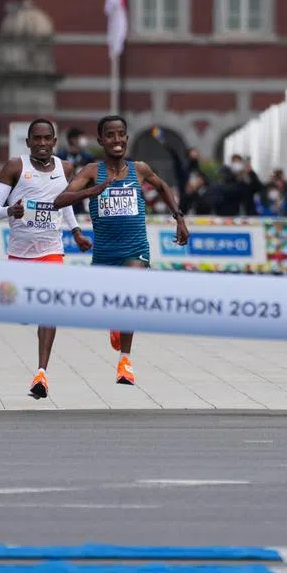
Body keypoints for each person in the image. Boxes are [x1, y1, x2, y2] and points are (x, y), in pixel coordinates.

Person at [53, 115, 190, 387]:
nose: (116, 140)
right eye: (110, 135)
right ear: (101, 140)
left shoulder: (139, 169)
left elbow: (162, 186)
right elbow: (60, 200)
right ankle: (115, 325)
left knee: (131, 291)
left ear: (126, 138)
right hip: (105, 253)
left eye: (120, 134)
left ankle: (125, 361)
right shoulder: (91, 171)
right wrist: (92, 190)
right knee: (112, 305)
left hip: (135, 249)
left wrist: (179, 217)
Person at [0, 119, 91, 399]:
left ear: (54, 142)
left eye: (47, 138)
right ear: (28, 142)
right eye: (37, 138)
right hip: (20, 253)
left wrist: (76, 232)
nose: (42, 143)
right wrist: (11, 210)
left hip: (51, 249)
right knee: (22, 308)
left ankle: (41, 373)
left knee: (50, 309)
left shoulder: (64, 168)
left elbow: (64, 204)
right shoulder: (15, 166)